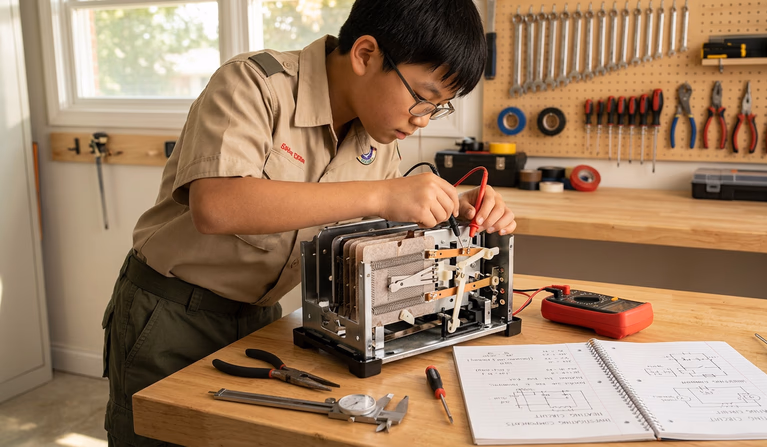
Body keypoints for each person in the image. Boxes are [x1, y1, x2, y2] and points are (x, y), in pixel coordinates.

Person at [102, 0, 516, 444]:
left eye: (441, 107)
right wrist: (382, 194)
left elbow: (382, 226)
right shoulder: (253, 83)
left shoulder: (374, 137)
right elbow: (216, 206)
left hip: (264, 319)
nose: (423, 120)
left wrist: (454, 204)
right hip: (171, 314)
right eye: (423, 97)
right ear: (364, 54)